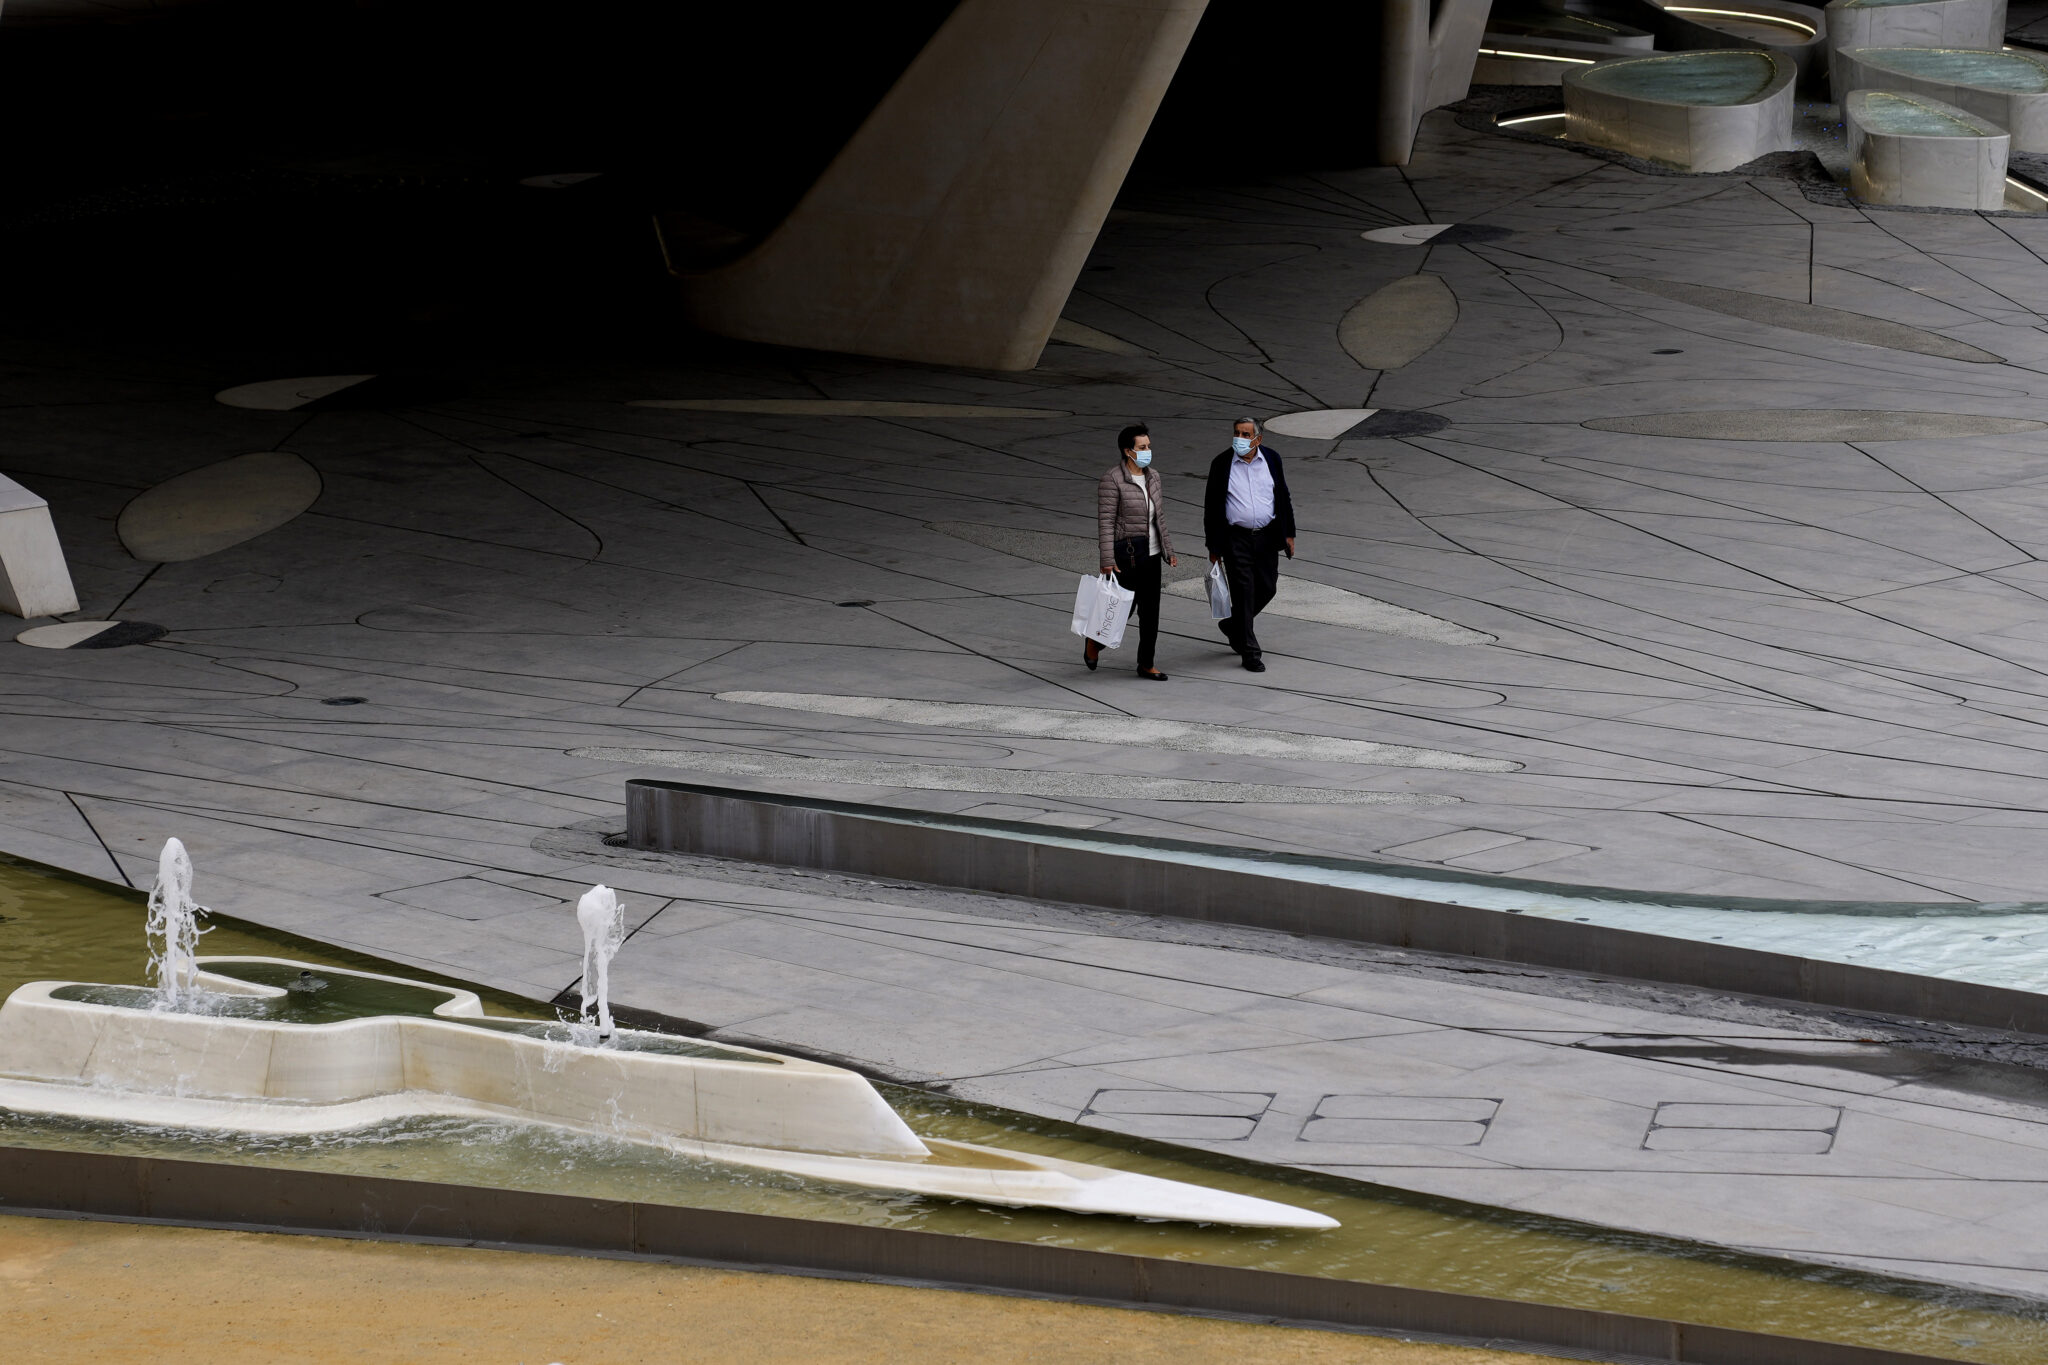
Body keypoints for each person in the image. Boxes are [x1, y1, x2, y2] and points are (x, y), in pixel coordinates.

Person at [1203, 416, 1296, 673]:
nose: (1240, 439)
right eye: (1237, 433)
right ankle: (1250, 652)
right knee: (1243, 593)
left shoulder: (1272, 459)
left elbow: (1283, 496)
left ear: (1258, 438)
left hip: (1267, 536)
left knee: (1267, 587)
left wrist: (1289, 534)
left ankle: (1233, 626)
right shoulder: (1222, 464)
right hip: (1236, 539)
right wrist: (1214, 546)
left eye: (1246, 435)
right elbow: (1212, 506)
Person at [1089, 422, 1177, 680]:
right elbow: (1105, 521)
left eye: (1148, 446)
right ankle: (1094, 643)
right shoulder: (1112, 479)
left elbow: (1158, 518)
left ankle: (1146, 664)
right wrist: (1106, 558)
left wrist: (1167, 549)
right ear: (1128, 451)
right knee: (1120, 609)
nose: (1147, 451)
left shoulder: (1154, 477)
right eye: (1142, 447)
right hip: (1126, 554)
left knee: (1151, 612)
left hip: (1151, 555)